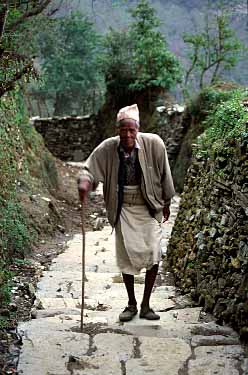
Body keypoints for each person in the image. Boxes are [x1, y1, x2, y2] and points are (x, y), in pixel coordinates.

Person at [78, 104, 175, 322]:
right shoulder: (108, 148)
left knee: (154, 252)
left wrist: (166, 201)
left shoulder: (154, 144)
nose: (128, 134)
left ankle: (146, 304)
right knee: (125, 256)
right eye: (124, 130)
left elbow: (165, 173)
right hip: (122, 206)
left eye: (132, 130)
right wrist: (85, 184)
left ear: (138, 130)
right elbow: (90, 169)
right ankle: (131, 303)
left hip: (148, 205)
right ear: (117, 130)